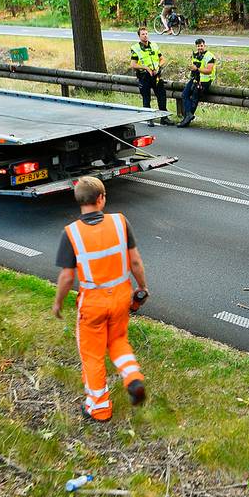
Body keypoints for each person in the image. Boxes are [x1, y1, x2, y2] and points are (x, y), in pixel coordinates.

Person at [53, 177, 149, 421]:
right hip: (120, 298)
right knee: (118, 341)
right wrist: (142, 286)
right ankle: (133, 378)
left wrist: (58, 303)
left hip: (93, 303)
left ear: (78, 201)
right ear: (101, 198)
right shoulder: (120, 222)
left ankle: (99, 408)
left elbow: (66, 277)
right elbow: (135, 261)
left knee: (92, 355)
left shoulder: (72, 233)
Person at [129, 27, 169, 125]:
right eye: (143, 34)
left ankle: (164, 117)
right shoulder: (136, 48)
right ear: (139, 36)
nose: (145, 35)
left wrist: (158, 67)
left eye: (146, 33)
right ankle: (149, 118)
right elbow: (133, 64)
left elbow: (162, 59)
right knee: (146, 98)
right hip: (144, 76)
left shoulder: (154, 45)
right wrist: (146, 68)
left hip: (156, 75)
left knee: (162, 95)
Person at [177, 38, 216, 128]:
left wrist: (197, 69)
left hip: (204, 80)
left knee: (194, 98)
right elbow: (193, 66)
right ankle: (188, 115)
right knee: (184, 94)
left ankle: (186, 120)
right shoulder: (195, 55)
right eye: (198, 46)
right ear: (196, 46)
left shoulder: (210, 56)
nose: (200, 48)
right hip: (195, 78)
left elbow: (209, 70)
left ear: (204, 45)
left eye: (201, 46)